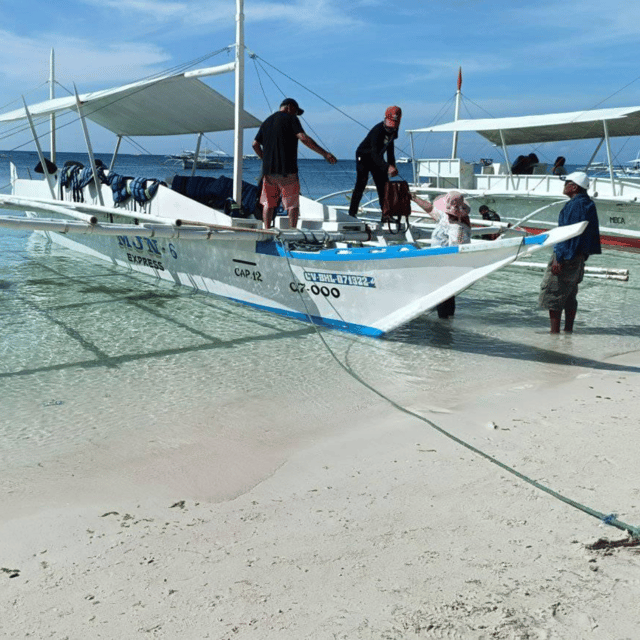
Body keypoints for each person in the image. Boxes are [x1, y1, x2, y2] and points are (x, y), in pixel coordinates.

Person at [252, 98, 337, 229]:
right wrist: (325, 154)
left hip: (269, 172)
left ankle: (267, 230)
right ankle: (292, 231)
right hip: (287, 171)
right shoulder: (291, 119)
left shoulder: (266, 122)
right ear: (289, 107)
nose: (296, 114)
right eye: (296, 111)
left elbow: (255, 144)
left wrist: (265, 159)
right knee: (292, 204)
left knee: (268, 203)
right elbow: (303, 138)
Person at [538, 171, 601, 333]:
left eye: (566, 183)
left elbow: (568, 233)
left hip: (567, 254)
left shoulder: (575, 205)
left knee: (554, 293)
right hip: (578, 256)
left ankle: (554, 334)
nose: (564, 186)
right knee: (570, 296)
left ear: (574, 187)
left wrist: (558, 257)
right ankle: (568, 332)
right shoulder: (588, 203)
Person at [410, 190, 472, 319]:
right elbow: (431, 209)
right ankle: (446, 324)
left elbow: (458, 249)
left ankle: (444, 327)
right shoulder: (446, 217)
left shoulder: (458, 227)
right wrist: (414, 198)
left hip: (445, 266)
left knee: (444, 296)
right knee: (446, 296)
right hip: (439, 265)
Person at [348, 106, 401, 218]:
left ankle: (386, 215)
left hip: (377, 157)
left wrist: (392, 165)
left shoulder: (394, 131)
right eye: (389, 125)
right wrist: (387, 167)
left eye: (393, 126)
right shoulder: (377, 130)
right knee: (361, 183)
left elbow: (390, 149)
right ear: (385, 118)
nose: (390, 128)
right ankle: (352, 213)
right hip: (364, 156)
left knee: (384, 185)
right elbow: (374, 154)